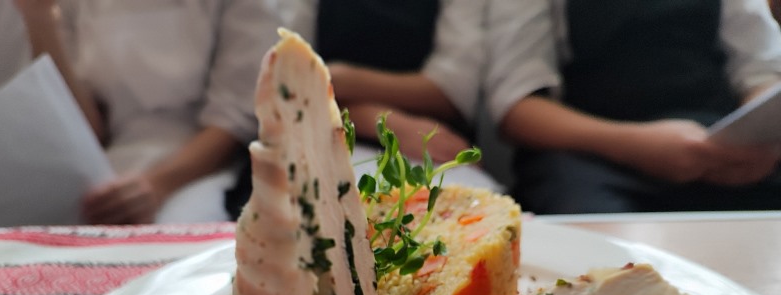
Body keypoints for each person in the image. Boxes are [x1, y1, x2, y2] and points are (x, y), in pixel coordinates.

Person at [485, 0, 781, 214]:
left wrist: (759, 137)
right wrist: (634, 145)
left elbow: (762, 71)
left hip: (716, 149)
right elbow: (517, 107)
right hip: (588, 156)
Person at [223, 0, 499, 220]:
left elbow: (453, 90)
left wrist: (337, 79)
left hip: (429, 142)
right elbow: (287, 82)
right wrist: (379, 121)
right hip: (317, 132)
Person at [13, 0, 279, 224]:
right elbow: (86, 126)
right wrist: (39, 19)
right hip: (106, 163)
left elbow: (235, 120)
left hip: (200, 168)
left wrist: (156, 186)